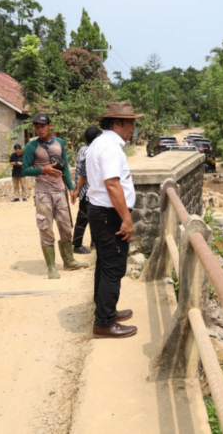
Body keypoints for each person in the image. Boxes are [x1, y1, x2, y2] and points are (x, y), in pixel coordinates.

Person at [86, 102, 142, 339]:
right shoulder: (110, 146)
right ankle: (104, 323)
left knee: (104, 264)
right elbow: (112, 184)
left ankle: (105, 311)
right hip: (109, 215)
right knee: (113, 267)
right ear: (117, 122)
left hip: (101, 212)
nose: (134, 128)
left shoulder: (101, 142)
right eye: (131, 123)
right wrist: (126, 219)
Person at [20, 113, 87, 279]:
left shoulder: (60, 143)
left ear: (50, 126)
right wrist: (42, 170)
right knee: (46, 229)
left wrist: (71, 188)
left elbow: (64, 167)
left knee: (66, 228)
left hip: (60, 192)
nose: (39, 129)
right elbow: (24, 169)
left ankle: (69, 261)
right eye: (36, 126)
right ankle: (51, 267)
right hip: (43, 194)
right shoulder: (31, 146)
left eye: (42, 125)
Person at [71, 126, 102, 255]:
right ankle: (77, 244)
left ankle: (94, 243)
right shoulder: (91, 151)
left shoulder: (82, 149)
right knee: (83, 218)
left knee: (91, 217)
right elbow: (83, 174)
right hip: (88, 191)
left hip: (86, 190)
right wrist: (78, 190)